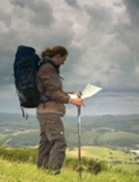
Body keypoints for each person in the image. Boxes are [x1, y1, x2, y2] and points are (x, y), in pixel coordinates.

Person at [36, 45, 83, 175]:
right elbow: (52, 93)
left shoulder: (46, 68)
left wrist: (73, 94)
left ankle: (42, 171)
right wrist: (72, 100)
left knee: (46, 143)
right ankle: (53, 172)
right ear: (57, 56)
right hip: (50, 112)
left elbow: (54, 91)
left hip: (44, 111)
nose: (63, 63)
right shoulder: (48, 69)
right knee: (59, 142)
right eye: (63, 59)